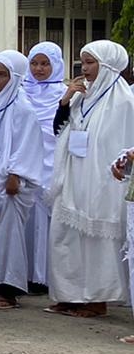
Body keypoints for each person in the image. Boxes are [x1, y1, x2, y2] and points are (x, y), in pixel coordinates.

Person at [46, 40, 134, 317]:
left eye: (90, 63)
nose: (84, 69)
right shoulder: (84, 96)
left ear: (106, 65)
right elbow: (59, 130)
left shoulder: (123, 102)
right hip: (73, 174)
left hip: (101, 181)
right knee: (65, 235)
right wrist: (66, 99)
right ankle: (69, 295)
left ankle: (97, 300)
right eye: (83, 62)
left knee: (96, 240)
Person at [0, 50, 44, 311]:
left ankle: (8, 289)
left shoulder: (22, 108)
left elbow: (28, 144)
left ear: (15, 76)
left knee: (8, 234)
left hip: (10, 182)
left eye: (2, 74)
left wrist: (15, 174)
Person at [21, 41, 65, 293]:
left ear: (56, 65)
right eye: (34, 63)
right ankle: (24, 273)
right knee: (24, 217)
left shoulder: (64, 94)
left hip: (51, 161)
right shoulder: (20, 90)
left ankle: (44, 276)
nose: (38, 69)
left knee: (45, 217)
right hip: (26, 159)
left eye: (45, 64)